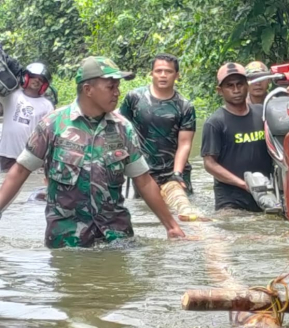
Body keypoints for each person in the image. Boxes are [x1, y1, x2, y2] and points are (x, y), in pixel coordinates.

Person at [0, 56, 185, 248]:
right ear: (88, 90)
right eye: (110, 87)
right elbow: (20, 171)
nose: (117, 93)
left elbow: (144, 181)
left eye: (118, 87)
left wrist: (171, 227)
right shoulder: (53, 125)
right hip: (66, 241)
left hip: (116, 239)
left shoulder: (123, 129)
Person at [120, 53, 197, 196]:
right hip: (144, 172)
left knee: (184, 212)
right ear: (151, 73)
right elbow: (121, 128)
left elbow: (185, 144)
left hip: (176, 171)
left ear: (177, 75)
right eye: (158, 71)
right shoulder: (134, 98)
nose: (163, 75)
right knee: (145, 213)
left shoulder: (185, 106)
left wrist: (177, 173)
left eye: (168, 71)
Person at [200, 62, 273, 212]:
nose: (236, 90)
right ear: (220, 91)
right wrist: (244, 185)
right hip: (231, 201)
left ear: (247, 85)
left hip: (268, 194)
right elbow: (209, 164)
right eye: (230, 86)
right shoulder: (215, 123)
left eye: (240, 84)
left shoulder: (262, 114)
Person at [0, 63, 55, 172]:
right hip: (6, 153)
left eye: (41, 80)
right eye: (34, 77)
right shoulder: (11, 95)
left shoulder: (46, 105)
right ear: (26, 78)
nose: (37, 81)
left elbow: (49, 132)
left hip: (29, 157)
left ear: (44, 85)